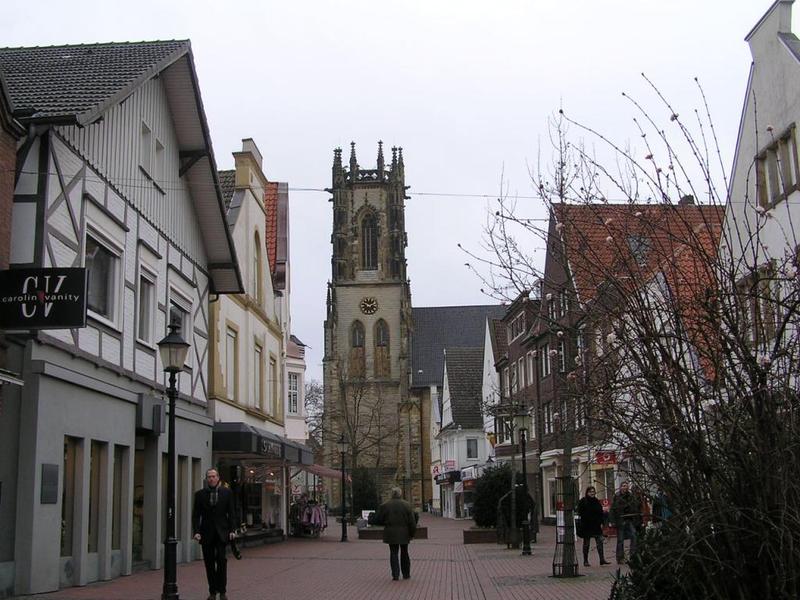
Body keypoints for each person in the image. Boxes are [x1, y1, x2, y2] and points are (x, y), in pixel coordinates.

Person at [193, 468, 237, 600]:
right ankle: (212, 591)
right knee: (209, 563)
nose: (211, 479)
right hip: (206, 533)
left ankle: (222, 591)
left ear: (218, 478)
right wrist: (196, 531)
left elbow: (232, 512)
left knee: (222, 561)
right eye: (209, 477)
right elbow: (196, 515)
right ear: (206, 479)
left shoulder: (227, 493)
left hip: (222, 533)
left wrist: (232, 530)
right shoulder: (200, 495)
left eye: (213, 476)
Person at [373, 487, 417, 581]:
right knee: (404, 552)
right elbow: (412, 522)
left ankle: (395, 574)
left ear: (392, 494)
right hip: (404, 533)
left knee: (393, 553)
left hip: (391, 533)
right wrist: (412, 533)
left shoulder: (385, 505)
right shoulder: (407, 505)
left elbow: (378, 520)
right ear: (400, 494)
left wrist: (386, 523)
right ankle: (406, 573)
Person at [576, 486, 611, 567]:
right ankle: (585, 560)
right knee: (586, 544)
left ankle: (602, 559)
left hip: (596, 525)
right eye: (590, 491)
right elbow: (580, 512)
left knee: (599, 542)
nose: (592, 493)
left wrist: (601, 522)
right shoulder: (583, 501)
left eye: (593, 491)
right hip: (587, 525)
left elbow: (600, 512)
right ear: (587, 492)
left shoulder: (596, 501)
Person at [610, 481, 641, 564]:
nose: (625, 488)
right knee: (620, 539)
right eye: (623, 486)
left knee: (634, 536)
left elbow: (635, 507)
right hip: (620, 520)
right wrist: (612, 521)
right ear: (620, 487)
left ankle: (633, 555)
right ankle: (620, 558)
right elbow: (612, 509)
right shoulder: (616, 496)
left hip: (629, 519)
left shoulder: (631, 496)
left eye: (626, 486)